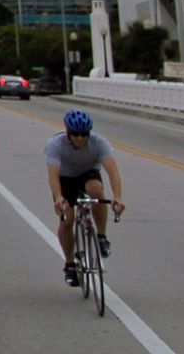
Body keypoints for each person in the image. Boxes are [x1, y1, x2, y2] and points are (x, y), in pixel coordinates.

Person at [47, 108, 125, 287]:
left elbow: (112, 171)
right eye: (75, 134)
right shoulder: (55, 144)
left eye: (84, 134)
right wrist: (59, 197)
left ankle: (101, 236)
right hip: (64, 178)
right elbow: (52, 175)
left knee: (97, 191)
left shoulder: (99, 143)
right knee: (68, 219)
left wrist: (118, 197)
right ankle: (70, 265)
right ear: (68, 133)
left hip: (87, 173)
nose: (80, 138)